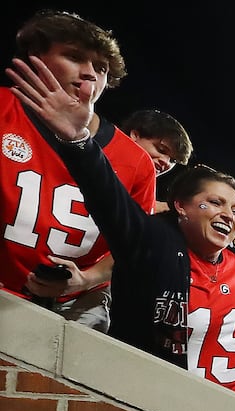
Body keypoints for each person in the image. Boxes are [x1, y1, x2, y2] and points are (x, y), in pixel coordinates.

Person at [9, 54, 235, 395]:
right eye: (215, 202)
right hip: (155, 408)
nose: (229, 214)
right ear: (180, 207)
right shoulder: (154, 238)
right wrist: (80, 144)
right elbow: (113, 205)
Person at [1, 11, 155, 319]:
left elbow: (131, 247)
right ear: (36, 56)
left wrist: (86, 279)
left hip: (75, 304)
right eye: (74, 56)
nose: (90, 74)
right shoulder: (4, 110)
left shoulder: (137, 162)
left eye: (101, 68)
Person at [23, 107, 194, 332]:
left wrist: (86, 279)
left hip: (88, 290)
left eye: (172, 160)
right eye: (161, 149)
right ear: (135, 134)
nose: (165, 162)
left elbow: (131, 246)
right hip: (20, 271)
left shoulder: (149, 187)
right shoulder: (74, 148)